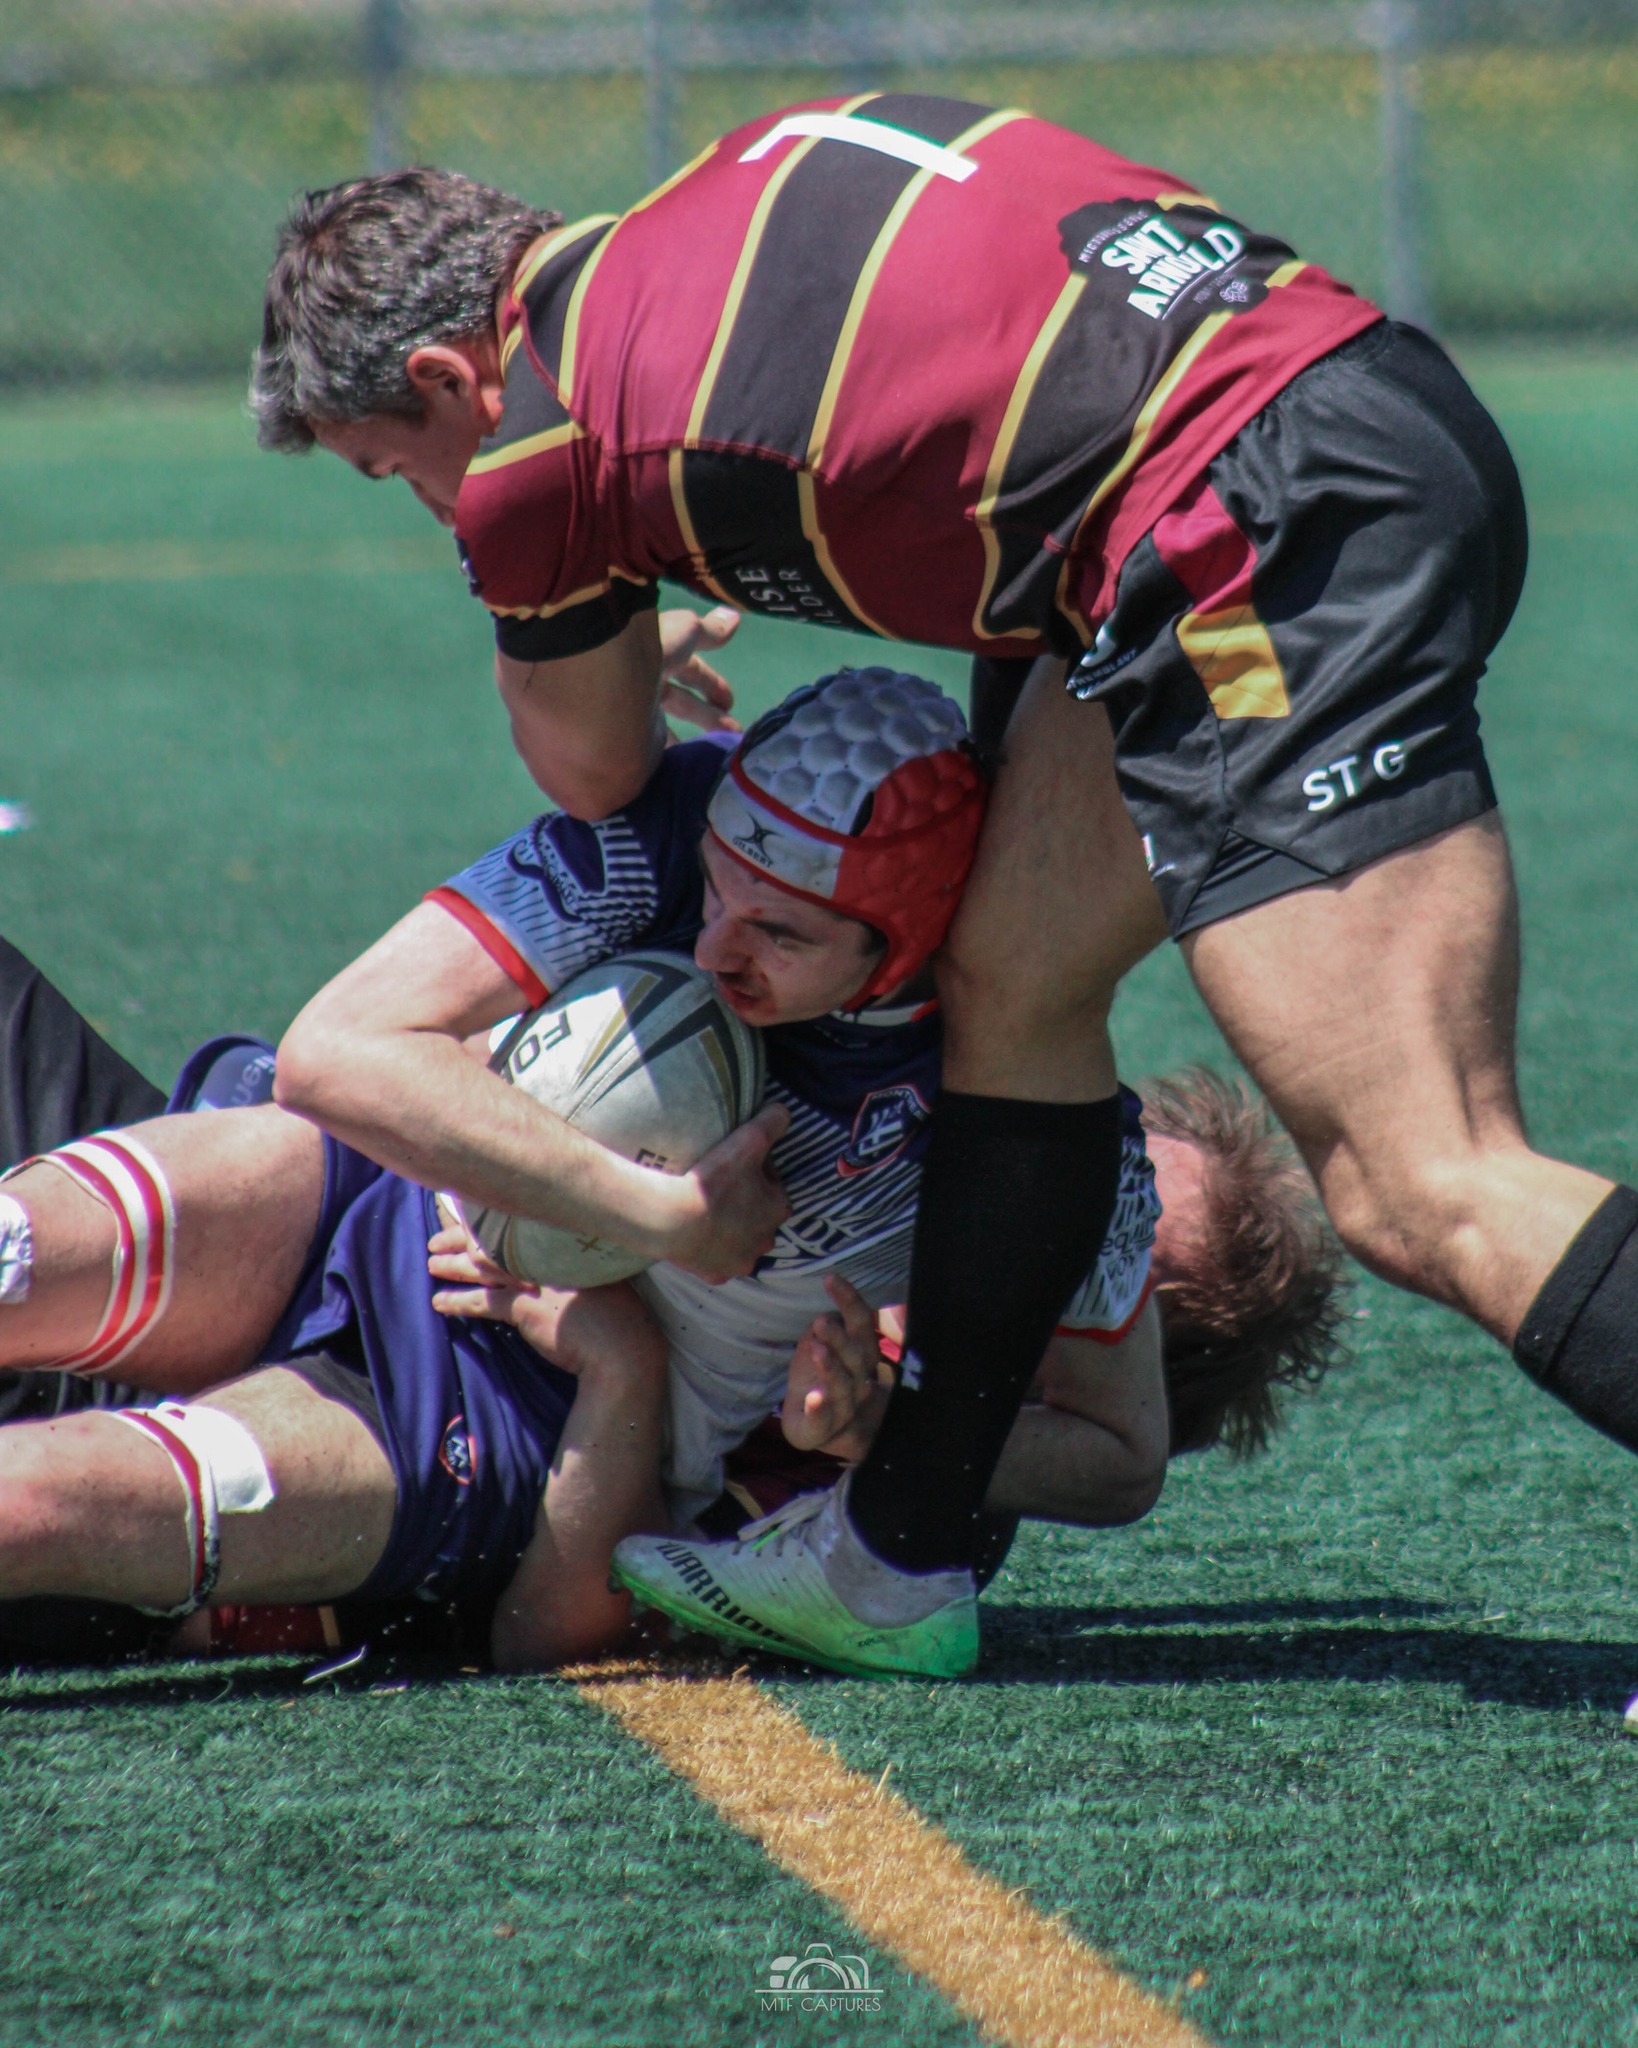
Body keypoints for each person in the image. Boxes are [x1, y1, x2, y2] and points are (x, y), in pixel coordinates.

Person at [248, 96, 1633, 1679]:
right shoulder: (740, 165)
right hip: (1340, 412)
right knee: (1011, 983)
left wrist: (613, 615)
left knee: (1425, 1181)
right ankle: (896, 1547)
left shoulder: (539, 449)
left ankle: (895, 1536)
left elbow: (590, 767)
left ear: (444, 378)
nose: (437, 506)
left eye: (393, 468)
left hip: (1248, 525)